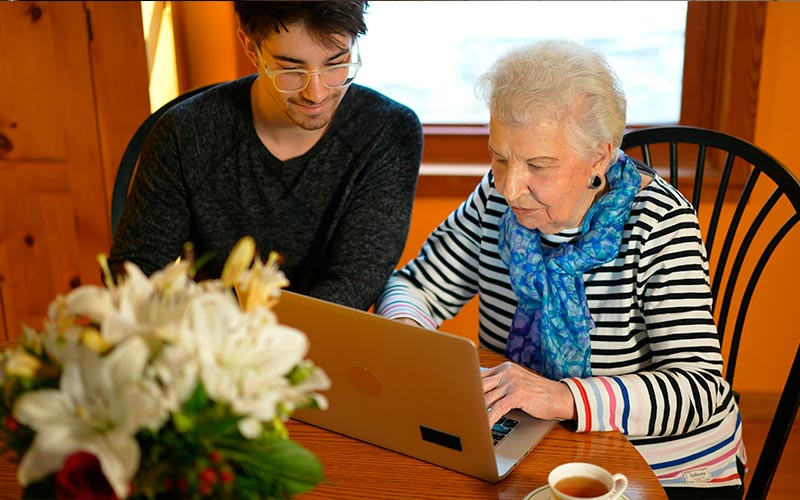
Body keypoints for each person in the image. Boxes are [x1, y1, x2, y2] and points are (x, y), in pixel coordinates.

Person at [376, 40, 745, 499]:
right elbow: (415, 284)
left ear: (599, 157)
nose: (511, 188)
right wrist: (409, 332)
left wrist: (562, 397)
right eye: (500, 156)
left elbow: (698, 387)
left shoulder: (658, 223)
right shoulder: (494, 197)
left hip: (656, 463)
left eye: (538, 165)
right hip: (528, 439)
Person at [109, 1, 423, 310]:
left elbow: (353, 283)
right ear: (250, 45)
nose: (317, 92)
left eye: (336, 64)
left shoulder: (388, 133)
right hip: (209, 344)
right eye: (290, 68)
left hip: (332, 346)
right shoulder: (185, 133)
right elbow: (136, 274)